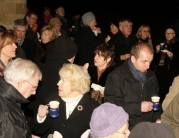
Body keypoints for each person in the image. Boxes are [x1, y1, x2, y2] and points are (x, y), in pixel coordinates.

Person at [104, 42, 161, 130]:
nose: (148, 66)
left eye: (150, 61)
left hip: (148, 129)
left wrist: (157, 119)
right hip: (126, 130)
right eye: (144, 61)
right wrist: (138, 108)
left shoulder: (151, 76)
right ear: (133, 59)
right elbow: (111, 108)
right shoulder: (116, 77)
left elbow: (156, 101)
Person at [33, 63, 99, 138]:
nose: (58, 83)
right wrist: (41, 117)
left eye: (63, 81)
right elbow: (39, 130)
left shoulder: (93, 108)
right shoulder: (52, 100)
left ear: (76, 84)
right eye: (60, 79)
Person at [0, 58, 42, 138]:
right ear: (21, 83)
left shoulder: (7, 96)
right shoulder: (6, 114)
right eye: (34, 87)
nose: (34, 92)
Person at [154, 25, 179, 103]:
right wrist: (157, 51)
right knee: (159, 93)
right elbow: (155, 61)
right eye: (166, 33)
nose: (168, 35)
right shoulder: (163, 45)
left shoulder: (177, 45)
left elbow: (177, 61)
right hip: (161, 73)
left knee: (168, 94)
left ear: (174, 34)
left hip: (171, 74)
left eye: (170, 33)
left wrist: (171, 57)